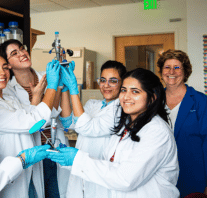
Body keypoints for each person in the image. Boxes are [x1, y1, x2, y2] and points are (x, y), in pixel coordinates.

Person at [48, 68, 180, 198]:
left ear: (152, 98)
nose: (126, 97)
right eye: (124, 90)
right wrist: (71, 161)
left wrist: (77, 159)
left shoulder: (156, 131)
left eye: (135, 91)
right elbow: (109, 166)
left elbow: (125, 179)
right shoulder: (125, 126)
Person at [0, 51, 60, 198]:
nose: (2, 72)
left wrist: (37, 95)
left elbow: (30, 115)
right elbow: (34, 122)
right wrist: (52, 87)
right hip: (10, 177)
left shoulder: (8, 98)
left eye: (5, 67)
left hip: (29, 172)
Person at [0, 39, 70, 198]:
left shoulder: (45, 77)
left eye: (22, 49)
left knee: (57, 193)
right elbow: (30, 122)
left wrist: (57, 81)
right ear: (7, 64)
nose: (22, 53)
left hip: (54, 147)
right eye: (14, 53)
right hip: (34, 151)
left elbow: (54, 110)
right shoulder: (8, 92)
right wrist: (37, 97)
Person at [157, 49, 207, 198]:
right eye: (167, 67)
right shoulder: (154, 101)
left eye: (177, 67)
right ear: (161, 71)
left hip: (195, 179)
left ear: (185, 71)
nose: (172, 72)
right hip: (160, 178)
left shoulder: (200, 101)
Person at [60, 60, 126, 197]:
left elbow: (87, 127)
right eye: (102, 80)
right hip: (80, 171)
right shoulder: (92, 104)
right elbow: (68, 122)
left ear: (122, 83)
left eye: (113, 81)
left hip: (100, 173)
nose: (106, 85)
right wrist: (65, 88)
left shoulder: (121, 110)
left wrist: (74, 89)